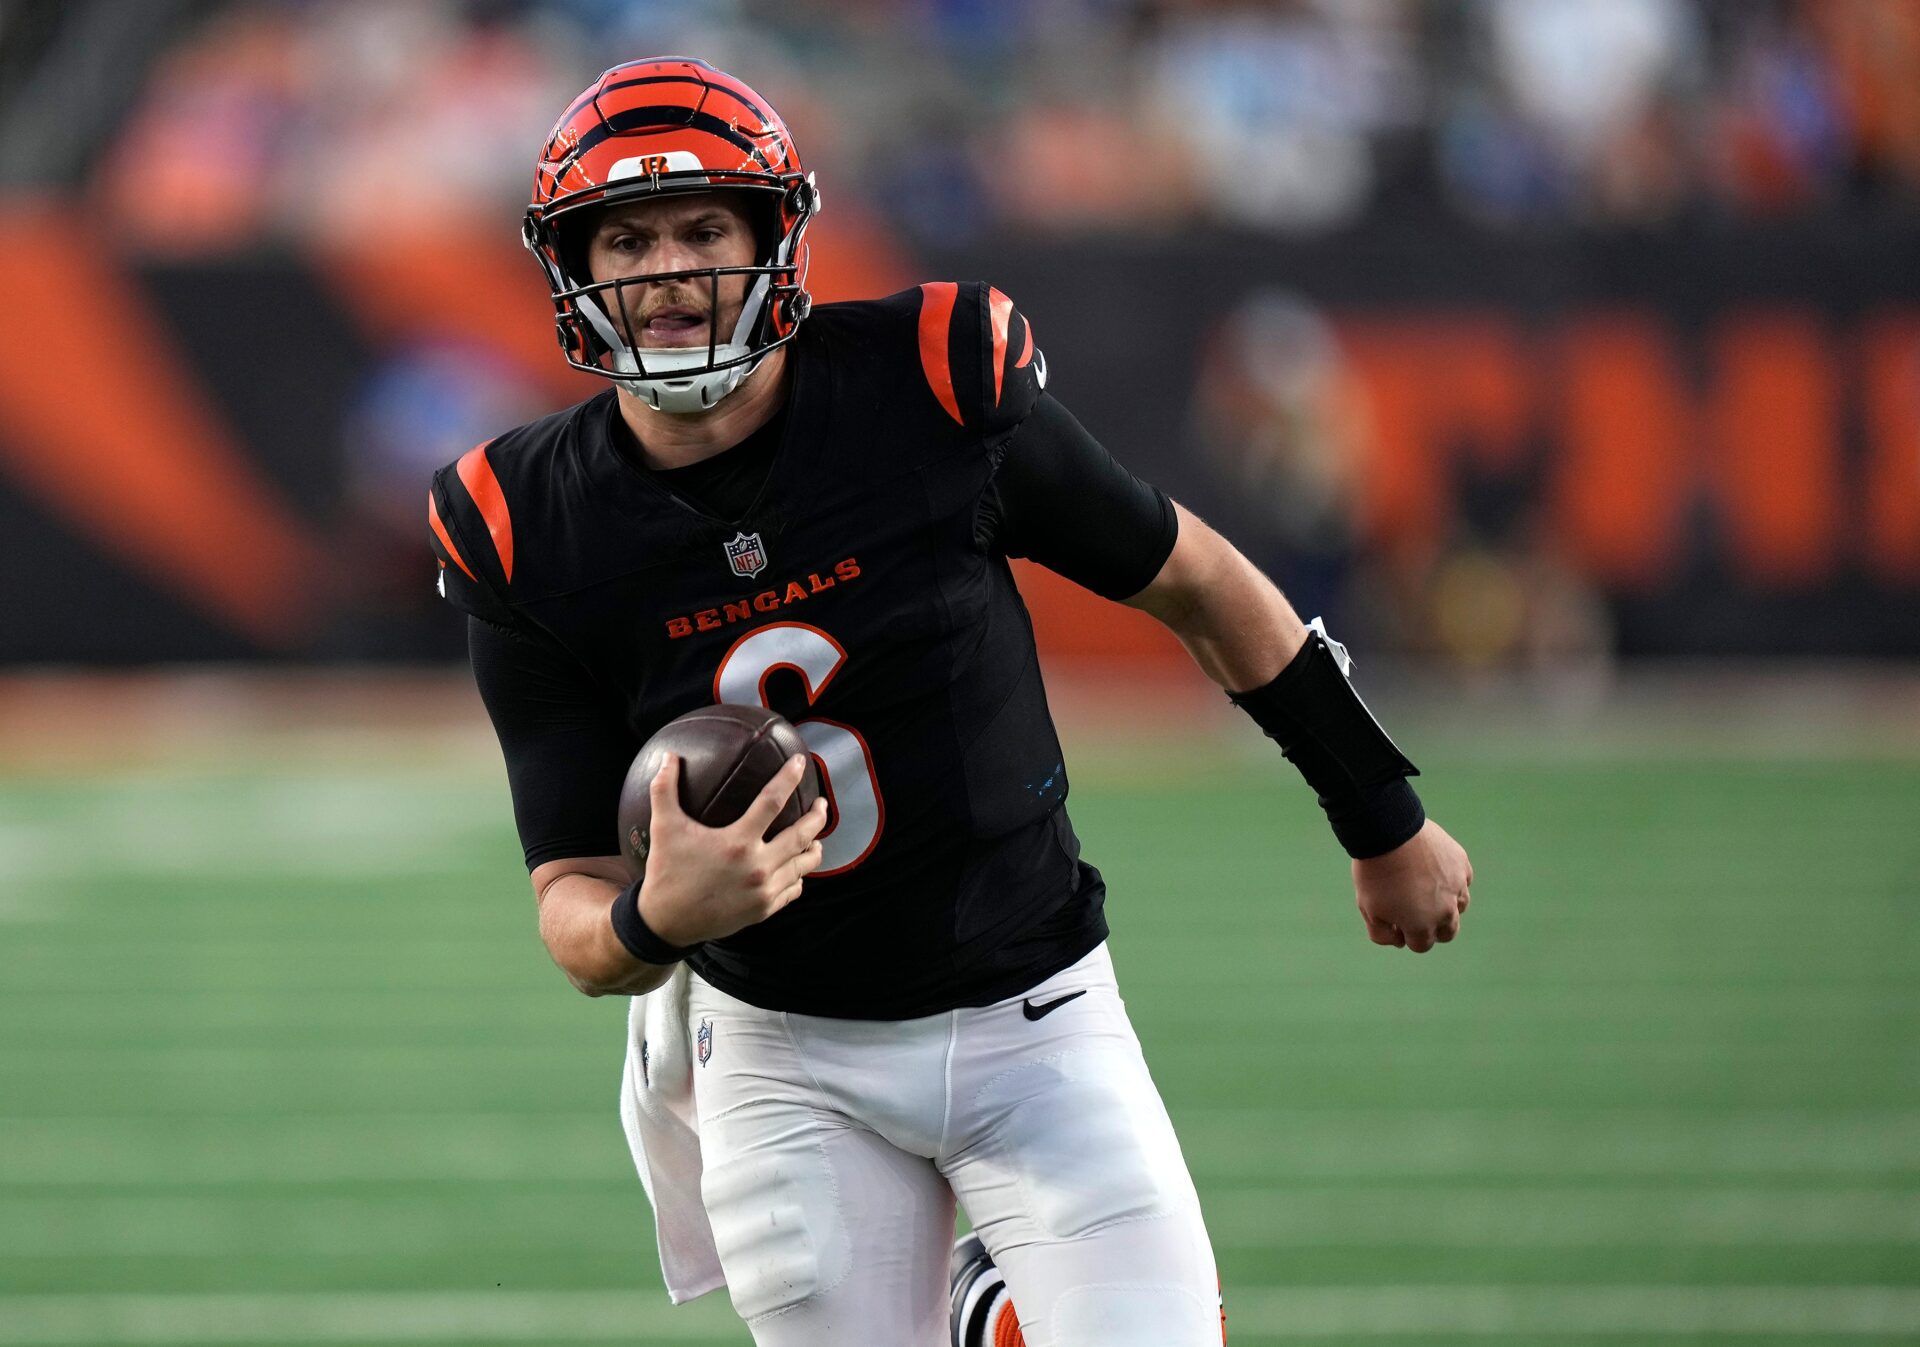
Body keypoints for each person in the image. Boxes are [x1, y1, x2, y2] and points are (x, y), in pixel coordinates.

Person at [427, 57, 1473, 1347]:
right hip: (780, 1048)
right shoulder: (524, 523)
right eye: (627, 238)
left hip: (1033, 1005)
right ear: (574, 270)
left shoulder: (929, 387)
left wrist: (1379, 812)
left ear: (775, 239)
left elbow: (1197, 582)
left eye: (704, 229)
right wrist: (655, 916)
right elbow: (570, 907)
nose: (666, 270)